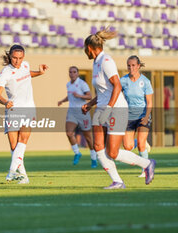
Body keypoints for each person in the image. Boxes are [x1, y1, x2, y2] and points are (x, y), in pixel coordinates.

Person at [81, 28, 156, 189]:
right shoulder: (95, 63)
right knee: (98, 146)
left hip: (116, 109)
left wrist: (108, 108)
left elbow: (117, 86)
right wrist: (89, 104)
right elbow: (103, 92)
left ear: (89, 48)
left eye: (84, 49)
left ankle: (147, 163)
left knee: (113, 152)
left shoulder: (106, 61)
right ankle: (117, 181)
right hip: (102, 108)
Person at [0, 44, 48, 184]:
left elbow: (27, 74)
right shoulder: (5, 72)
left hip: (29, 107)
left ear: (23, 57)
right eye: (14, 58)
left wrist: (39, 72)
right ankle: (24, 176)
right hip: (13, 109)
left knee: (23, 141)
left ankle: (12, 171)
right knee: (14, 146)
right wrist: (5, 102)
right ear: (9, 56)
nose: (17, 61)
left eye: (20, 58)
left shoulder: (25, 65)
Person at [120, 56, 153, 177]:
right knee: (128, 147)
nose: (131, 67)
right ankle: (137, 141)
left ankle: (145, 170)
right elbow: (116, 95)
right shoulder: (123, 80)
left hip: (143, 115)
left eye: (133, 65)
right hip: (129, 117)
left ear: (138, 66)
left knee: (141, 145)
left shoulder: (145, 82)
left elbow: (149, 102)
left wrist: (147, 116)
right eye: (129, 65)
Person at [58, 66, 97, 168]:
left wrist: (79, 96)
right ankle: (77, 152)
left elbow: (89, 96)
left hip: (82, 112)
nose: (72, 74)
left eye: (74, 72)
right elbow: (70, 96)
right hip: (72, 112)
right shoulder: (68, 84)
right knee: (69, 133)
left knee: (88, 137)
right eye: (70, 72)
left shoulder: (82, 84)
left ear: (78, 73)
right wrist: (62, 101)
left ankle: (94, 158)